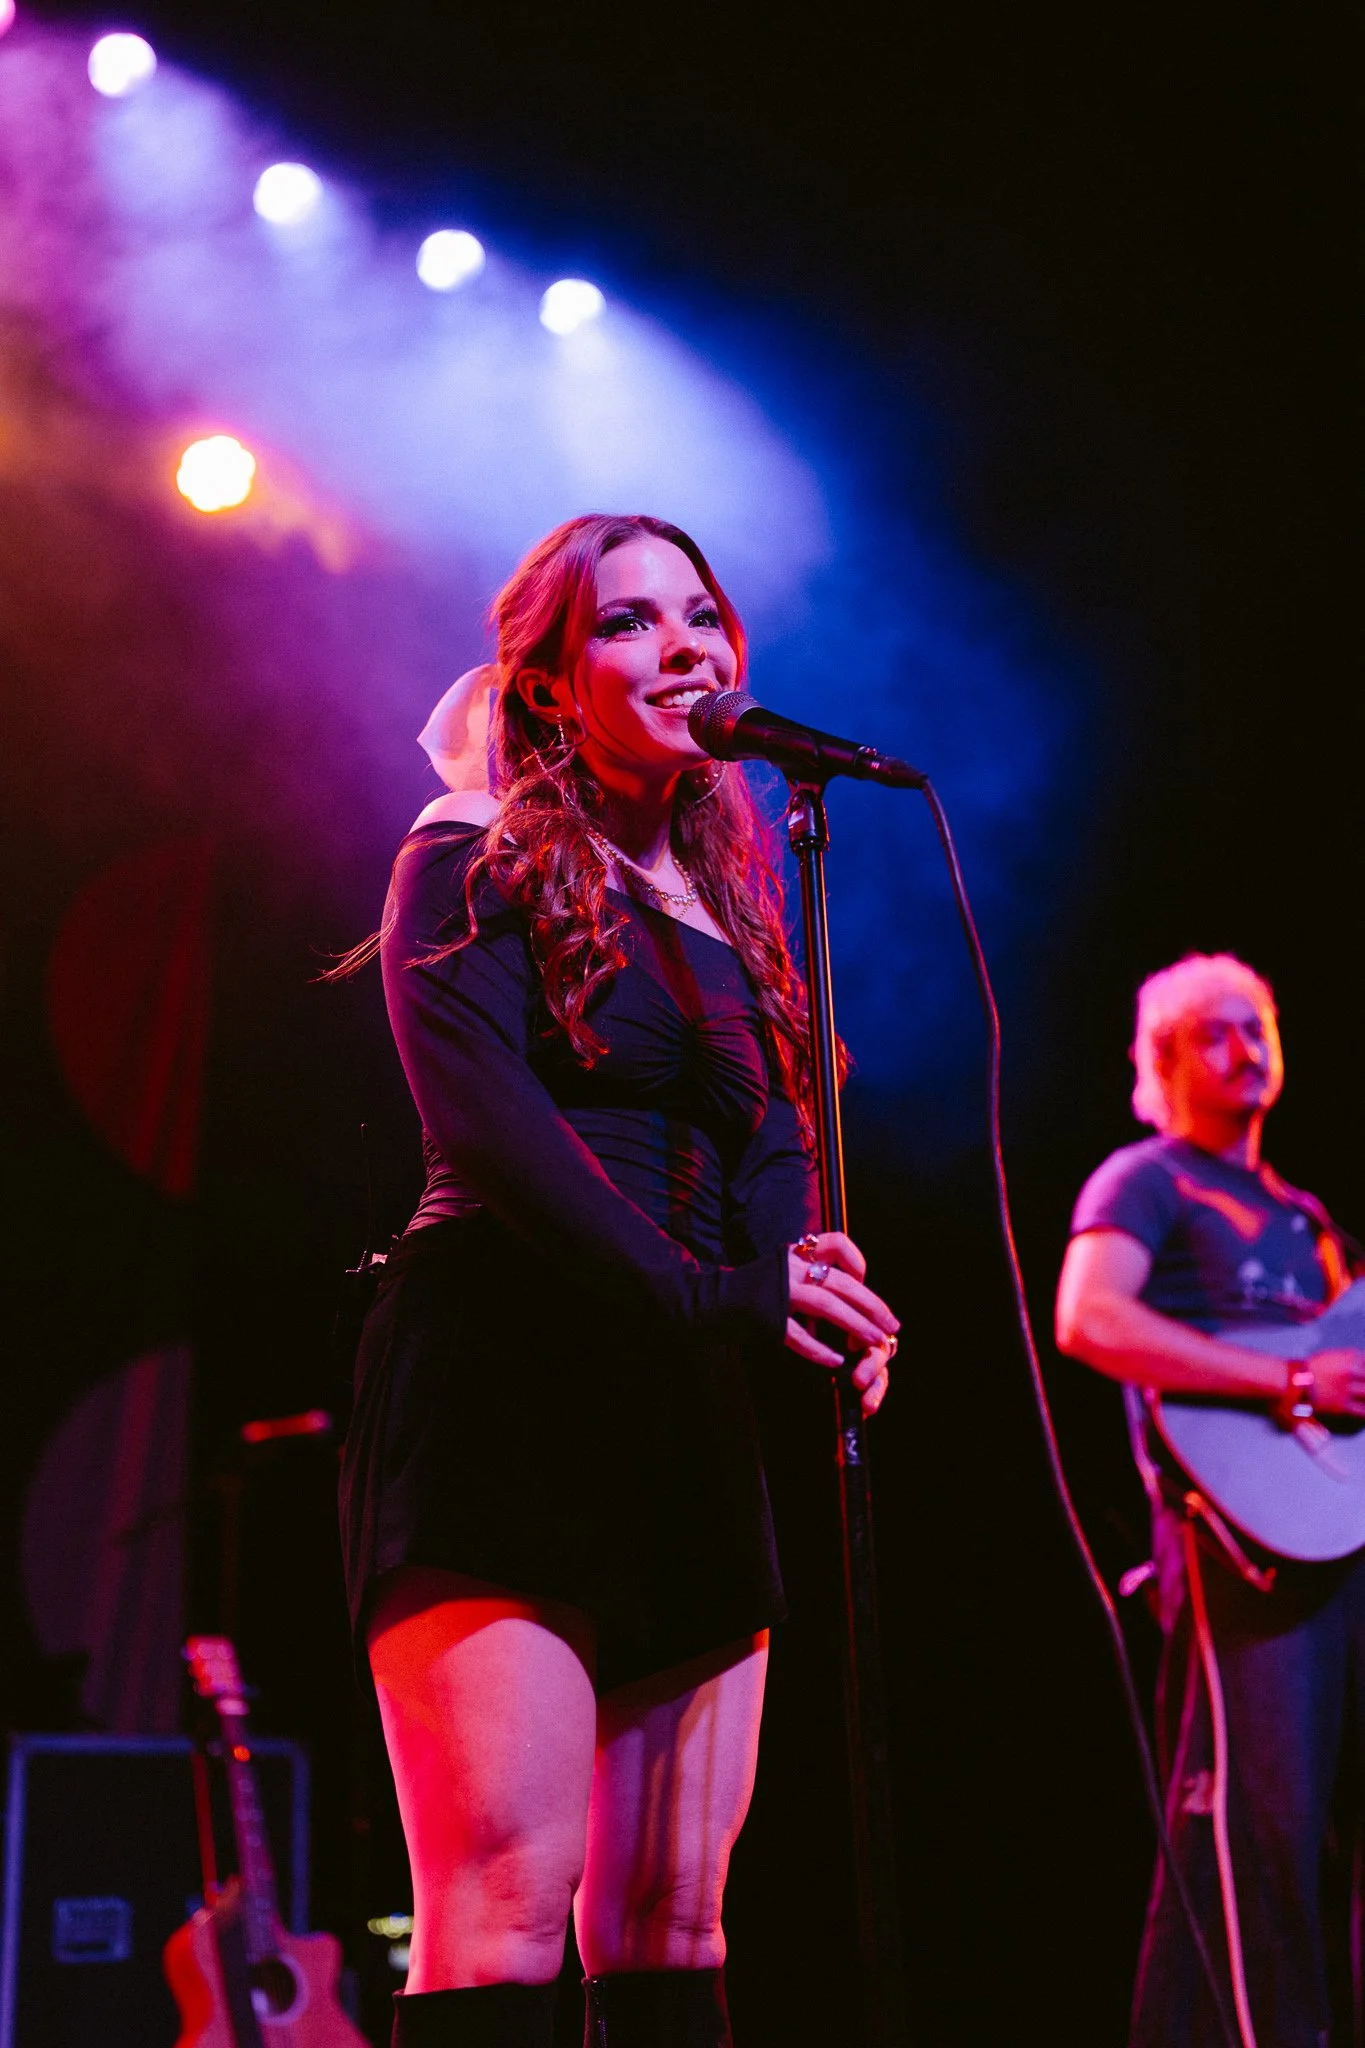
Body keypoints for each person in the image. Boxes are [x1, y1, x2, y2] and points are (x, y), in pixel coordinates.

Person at [338, 513, 899, 2048]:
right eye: (629, 622)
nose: (680, 649)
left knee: (675, 1920)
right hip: (503, 1383)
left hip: (681, 1401)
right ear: (548, 675)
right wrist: (723, 1298)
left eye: (699, 618)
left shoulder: (738, 910)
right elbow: (496, 1144)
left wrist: (812, 1287)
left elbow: (773, 1144)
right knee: (508, 1906)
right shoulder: (464, 852)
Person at [1055, 952, 1365, 2047]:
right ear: (1164, 1061)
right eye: (1217, 1031)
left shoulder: (1309, 1216)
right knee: (1261, 1833)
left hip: (1344, 1533)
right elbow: (1091, 1318)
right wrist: (1289, 1378)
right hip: (1238, 1550)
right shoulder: (1147, 1178)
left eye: (1259, 1024)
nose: (1246, 1046)